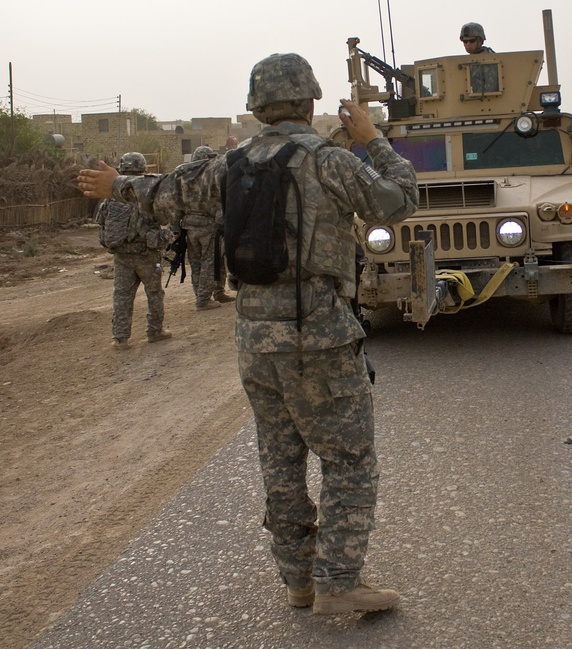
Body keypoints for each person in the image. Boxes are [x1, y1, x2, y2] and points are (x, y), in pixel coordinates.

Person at [78, 52, 418, 615]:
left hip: (256, 343)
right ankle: (338, 580)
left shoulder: (230, 165)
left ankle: (299, 581)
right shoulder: (329, 161)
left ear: (257, 106)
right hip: (321, 336)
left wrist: (119, 184)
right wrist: (373, 139)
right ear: (309, 101)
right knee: (348, 460)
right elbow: (398, 201)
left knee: (280, 461)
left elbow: (166, 195)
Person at [94, 152, 173, 349]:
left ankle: (120, 338)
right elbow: (164, 219)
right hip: (146, 254)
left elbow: (101, 221)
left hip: (121, 255)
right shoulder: (146, 194)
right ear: (143, 170)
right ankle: (155, 331)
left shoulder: (111, 197)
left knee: (122, 295)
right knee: (154, 293)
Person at [172, 145, 234, 311]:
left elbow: (177, 203)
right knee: (210, 261)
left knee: (196, 262)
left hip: (189, 225)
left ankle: (211, 293)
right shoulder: (212, 175)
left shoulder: (183, 176)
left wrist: (175, 227)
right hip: (209, 224)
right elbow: (220, 200)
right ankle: (203, 299)